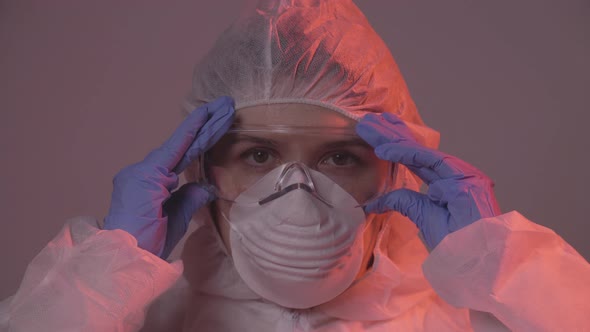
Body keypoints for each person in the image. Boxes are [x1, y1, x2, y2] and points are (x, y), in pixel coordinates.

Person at [1, 0, 589, 331]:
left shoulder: (478, 323)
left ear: (397, 173)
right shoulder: (129, 323)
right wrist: (105, 274)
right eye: (258, 154)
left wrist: (506, 267)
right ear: (200, 171)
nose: (300, 195)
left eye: (340, 157)